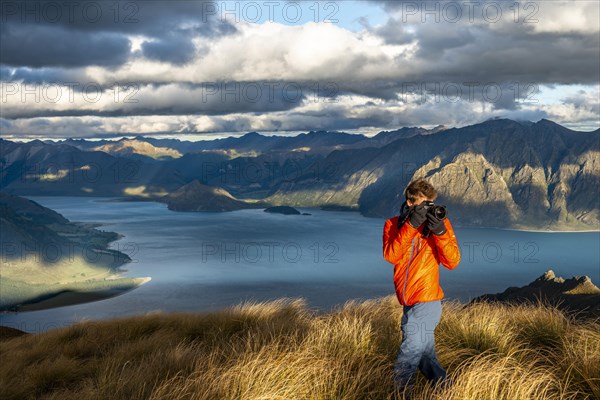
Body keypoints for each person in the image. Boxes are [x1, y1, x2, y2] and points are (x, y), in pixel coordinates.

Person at [382, 178, 461, 396]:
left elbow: (453, 262)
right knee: (426, 358)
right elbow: (391, 255)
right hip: (408, 301)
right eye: (423, 206)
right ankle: (448, 390)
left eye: (431, 205)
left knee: (409, 353)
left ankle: (401, 394)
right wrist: (411, 226)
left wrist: (440, 232)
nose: (429, 210)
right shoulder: (393, 224)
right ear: (410, 203)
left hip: (427, 301)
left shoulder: (439, 224)